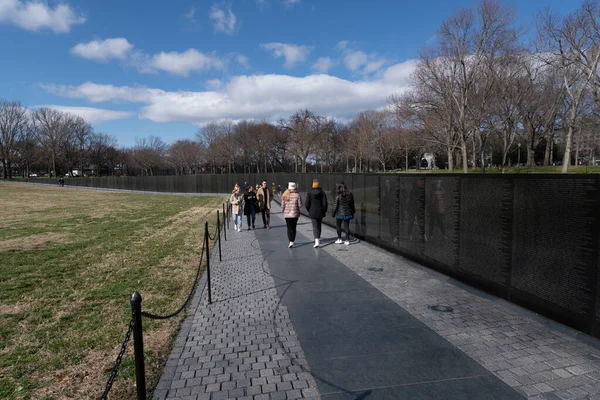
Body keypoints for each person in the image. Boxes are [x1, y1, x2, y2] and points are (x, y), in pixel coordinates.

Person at [305, 179, 328, 248]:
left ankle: (316, 240)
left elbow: (306, 203)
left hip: (312, 211)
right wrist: (324, 210)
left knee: (314, 226)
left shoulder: (309, 193)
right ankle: (318, 237)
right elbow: (325, 203)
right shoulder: (322, 193)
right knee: (319, 225)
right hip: (320, 211)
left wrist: (309, 209)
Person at [281, 182, 302, 248]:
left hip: (287, 214)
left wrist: (283, 212)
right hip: (295, 214)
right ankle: (293, 240)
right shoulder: (297, 195)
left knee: (289, 228)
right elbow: (300, 205)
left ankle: (290, 241)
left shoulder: (284, 195)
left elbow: (282, 206)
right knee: (294, 227)